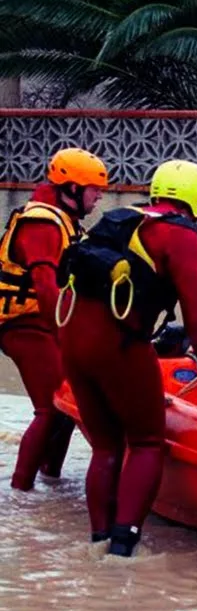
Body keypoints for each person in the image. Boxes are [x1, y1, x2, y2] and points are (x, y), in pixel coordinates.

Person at [56, 159, 197, 556]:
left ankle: (98, 541)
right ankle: (123, 553)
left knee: (106, 446)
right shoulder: (180, 237)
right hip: (118, 347)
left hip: (71, 342)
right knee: (145, 443)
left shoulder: (120, 220)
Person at [0, 148, 108, 491]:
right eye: (93, 188)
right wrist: (67, 339)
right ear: (72, 189)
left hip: (38, 321)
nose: (99, 195)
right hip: (23, 322)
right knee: (51, 406)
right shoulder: (42, 223)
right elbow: (46, 290)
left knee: (67, 404)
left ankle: (51, 478)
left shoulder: (64, 220)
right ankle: (20, 493)